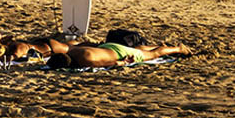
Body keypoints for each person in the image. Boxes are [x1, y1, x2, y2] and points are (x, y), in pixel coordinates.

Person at [47, 42, 192, 70]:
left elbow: (111, 64)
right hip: (108, 46)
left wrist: (124, 62)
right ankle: (165, 46)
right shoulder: (71, 52)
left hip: (119, 54)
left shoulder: (85, 61)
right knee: (138, 49)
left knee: (154, 54)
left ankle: (177, 48)